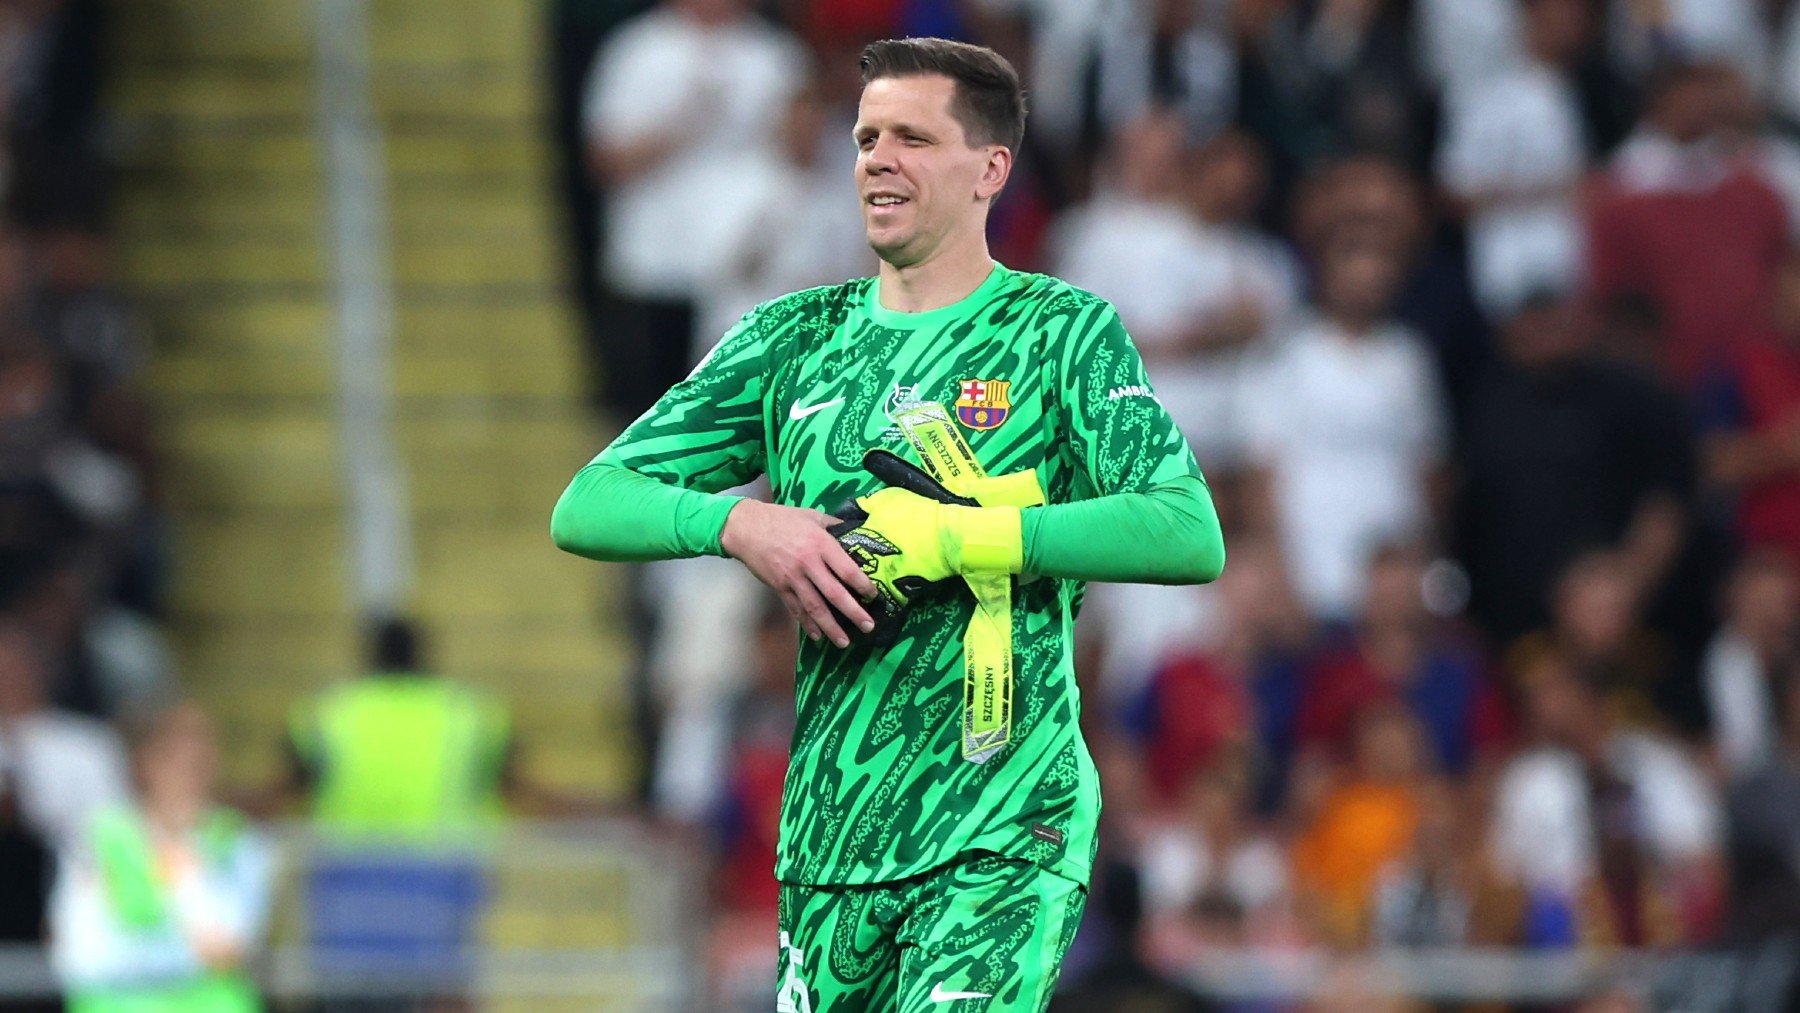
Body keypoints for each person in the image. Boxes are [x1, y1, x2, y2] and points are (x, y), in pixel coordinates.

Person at [552, 37, 1226, 1012]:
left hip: (1002, 818)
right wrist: (746, 526)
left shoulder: (1060, 330)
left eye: (913, 136)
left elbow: (1184, 528)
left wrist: (962, 537)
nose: (876, 157)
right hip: (833, 832)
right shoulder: (793, 337)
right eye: (868, 136)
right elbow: (589, 503)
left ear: (989, 168)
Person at [49, 703, 274, 1013]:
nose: (188, 770)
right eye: (174, 757)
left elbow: (228, 948)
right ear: (145, 762)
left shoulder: (237, 840)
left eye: (199, 759)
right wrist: (180, 958)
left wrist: (185, 876)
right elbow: (80, 957)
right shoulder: (97, 837)